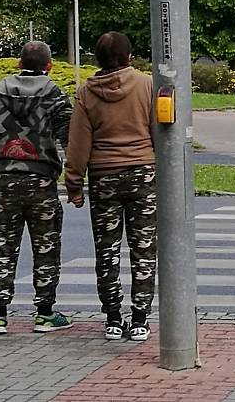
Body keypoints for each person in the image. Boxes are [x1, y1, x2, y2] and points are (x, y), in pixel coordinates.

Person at [0, 41, 74, 335]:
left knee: (4, 248)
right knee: (46, 248)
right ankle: (45, 314)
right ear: (49, 66)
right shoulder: (54, 94)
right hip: (42, 183)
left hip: (6, 183)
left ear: (18, 64)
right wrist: (76, 178)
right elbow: (69, 140)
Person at [64, 32, 156, 342]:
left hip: (103, 177)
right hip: (143, 173)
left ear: (97, 58)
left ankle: (113, 318)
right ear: (129, 55)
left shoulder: (86, 93)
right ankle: (141, 318)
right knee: (143, 249)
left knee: (107, 251)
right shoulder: (147, 85)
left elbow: (77, 144)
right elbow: (159, 131)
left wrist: (74, 184)